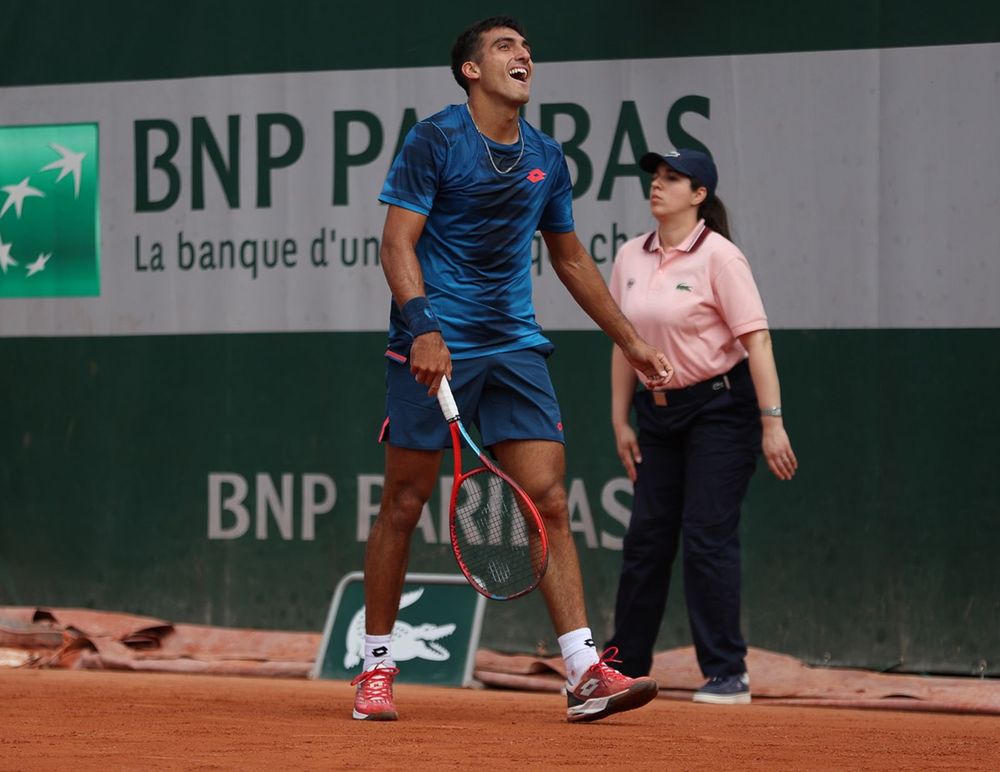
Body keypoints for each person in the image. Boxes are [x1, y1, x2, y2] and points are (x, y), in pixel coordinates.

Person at [350, 16, 675, 723]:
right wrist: (424, 329)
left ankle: (585, 670)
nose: (523, 55)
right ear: (471, 70)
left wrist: (630, 340)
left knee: (548, 502)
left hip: (515, 348)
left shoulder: (547, 158)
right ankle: (375, 666)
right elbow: (396, 245)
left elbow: (569, 258)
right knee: (403, 504)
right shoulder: (436, 139)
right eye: (504, 47)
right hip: (436, 344)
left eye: (526, 48)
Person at [605, 148, 798, 705]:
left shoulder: (721, 258)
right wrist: (620, 418)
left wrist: (772, 423)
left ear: (699, 196)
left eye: (673, 179)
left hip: (722, 409)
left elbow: (756, 340)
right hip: (657, 414)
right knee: (645, 540)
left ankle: (726, 673)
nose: (657, 186)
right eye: (655, 178)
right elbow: (624, 345)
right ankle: (621, 668)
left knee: (707, 537)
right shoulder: (628, 258)